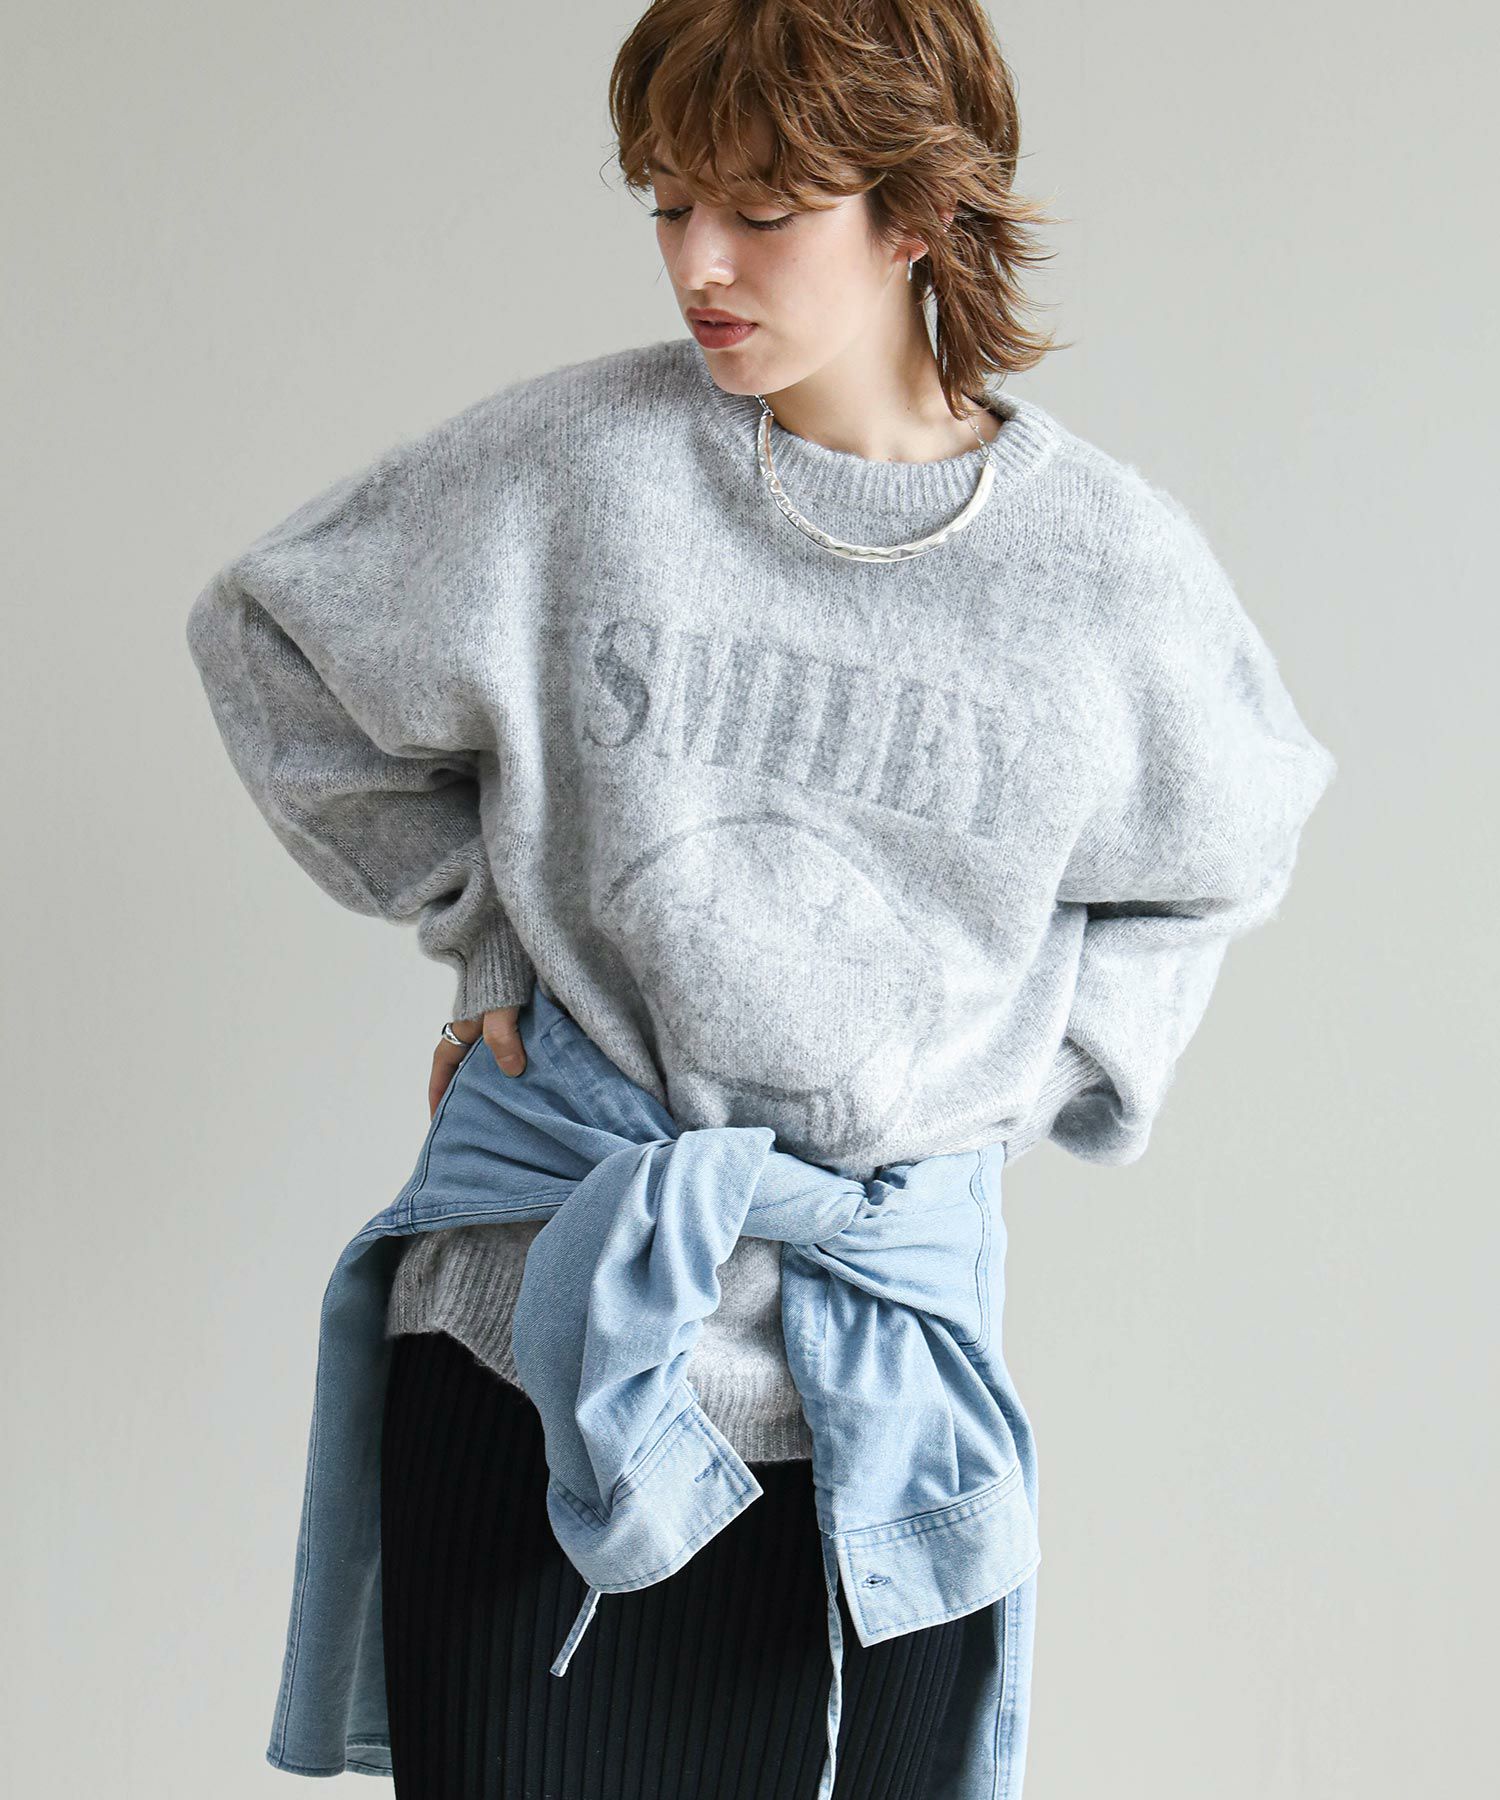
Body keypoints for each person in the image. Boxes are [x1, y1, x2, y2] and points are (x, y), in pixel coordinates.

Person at [184, 2, 1338, 1795]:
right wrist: (482, 934)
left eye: (764, 211)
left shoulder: (1104, 570)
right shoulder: (578, 469)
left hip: (884, 1405)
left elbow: (1228, 851)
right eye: (668, 204)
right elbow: (275, 644)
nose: (697, 264)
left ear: (916, 214)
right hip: (535, 1358)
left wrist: (1011, 1079)